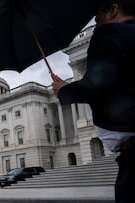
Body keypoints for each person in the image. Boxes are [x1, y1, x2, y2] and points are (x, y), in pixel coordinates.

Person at [52, 1, 135, 202]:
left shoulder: (110, 34)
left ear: (113, 10)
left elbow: (96, 84)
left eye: (97, 18)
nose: (96, 24)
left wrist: (64, 90)